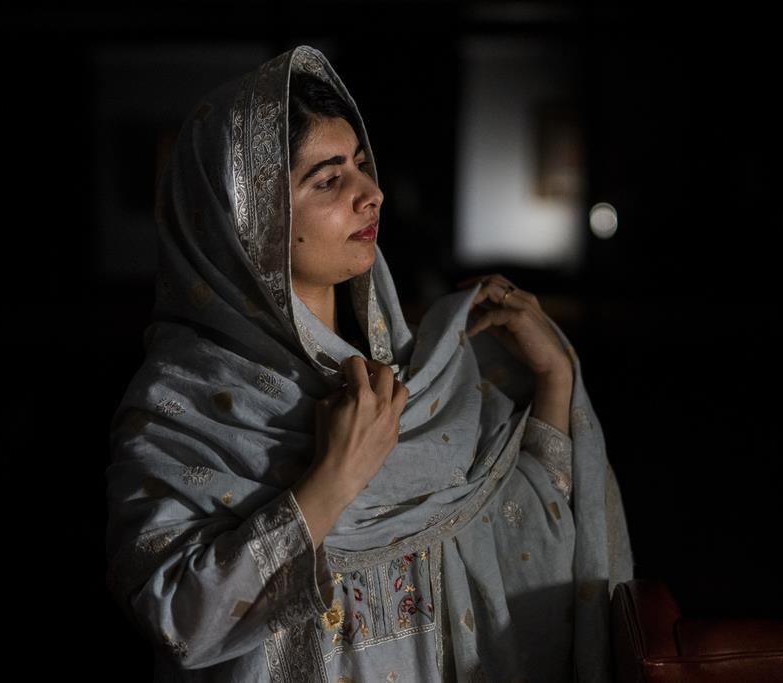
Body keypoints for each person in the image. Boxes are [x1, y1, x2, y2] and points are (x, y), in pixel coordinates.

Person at [105, 45, 632, 683]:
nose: (371, 193)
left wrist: (554, 379)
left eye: (361, 164)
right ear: (248, 222)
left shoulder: (421, 384)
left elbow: (527, 538)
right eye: (328, 180)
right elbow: (179, 622)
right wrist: (333, 481)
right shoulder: (182, 406)